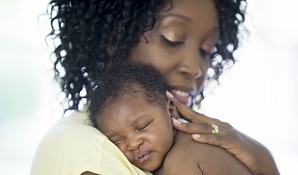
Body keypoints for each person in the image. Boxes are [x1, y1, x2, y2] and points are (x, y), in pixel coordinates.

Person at [31, 0, 279, 174]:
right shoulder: (81, 146)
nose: (196, 69)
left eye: (206, 50)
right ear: (114, 38)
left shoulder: (186, 147)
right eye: (173, 38)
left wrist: (259, 157)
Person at [88, 63, 251, 175]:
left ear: (171, 110)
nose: (132, 144)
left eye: (143, 126)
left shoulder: (181, 158)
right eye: (117, 140)